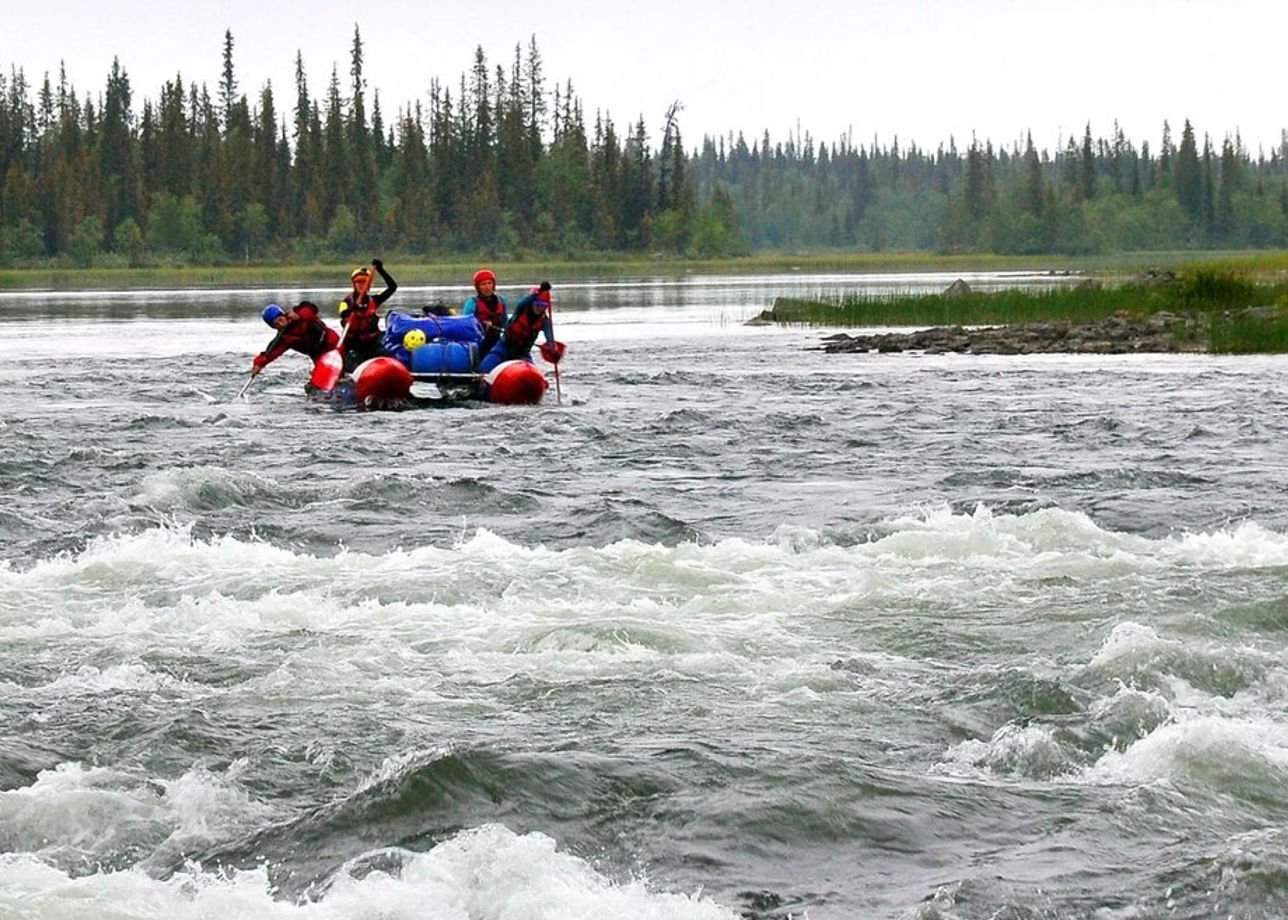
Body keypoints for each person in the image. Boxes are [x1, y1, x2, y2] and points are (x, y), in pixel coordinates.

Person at [477, 281, 563, 374]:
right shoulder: (521, 309)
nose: (539, 308)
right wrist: (540, 292)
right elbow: (524, 301)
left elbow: (550, 338)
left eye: (543, 305)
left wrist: (553, 350)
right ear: (531, 303)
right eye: (537, 304)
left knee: (531, 375)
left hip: (522, 354)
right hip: (504, 347)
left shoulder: (545, 322)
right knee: (484, 369)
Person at [251, 302, 341, 377]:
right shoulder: (283, 339)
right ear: (273, 327)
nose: (280, 324)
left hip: (334, 343)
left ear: (284, 315)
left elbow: (312, 308)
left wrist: (299, 315)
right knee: (323, 375)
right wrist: (258, 364)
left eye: (280, 319)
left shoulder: (300, 312)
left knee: (343, 364)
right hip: (319, 356)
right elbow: (269, 353)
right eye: (276, 324)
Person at [339, 258, 398, 372]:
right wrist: (353, 309)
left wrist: (381, 270)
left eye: (365, 282)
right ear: (354, 284)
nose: (362, 285)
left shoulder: (374, 301)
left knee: (387, 357)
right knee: (351, 364)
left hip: (371, 344)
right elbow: (343, 314)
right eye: (359, 282)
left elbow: (392, 287)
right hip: (353, 345)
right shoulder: (346, 302)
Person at [460, 268, 508, 360]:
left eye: (490, 283)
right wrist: (480, 324)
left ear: (493, 285)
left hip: (496, 340)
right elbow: (465, 324)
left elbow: (505, 323)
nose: (487, 287)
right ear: (478, 287)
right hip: (478, 342)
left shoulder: (501, 301)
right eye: (483, 284)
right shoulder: (472, 303)